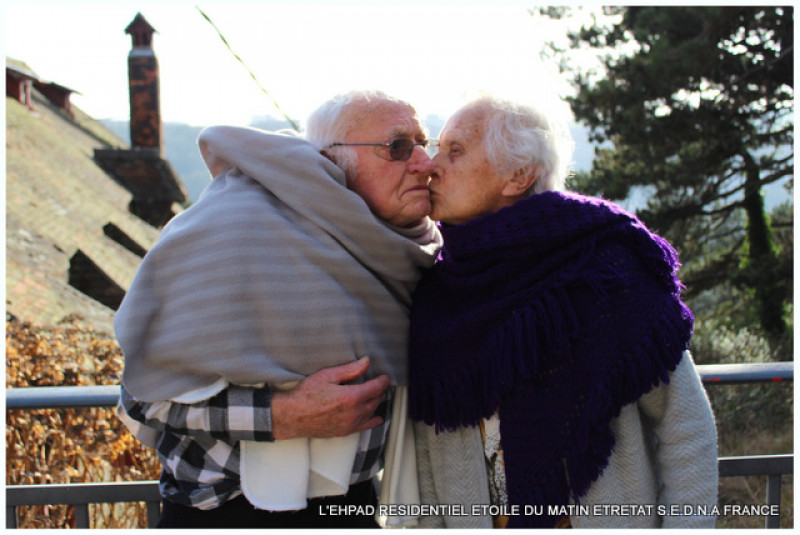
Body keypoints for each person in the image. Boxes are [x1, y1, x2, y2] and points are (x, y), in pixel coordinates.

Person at [115, 89, 442, 528]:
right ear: (332, 160)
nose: (425, 163)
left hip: (352, 508)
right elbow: (143, 397)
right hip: (227, 515)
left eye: (426, 143)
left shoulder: (421, 252)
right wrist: (280, 416)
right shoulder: (233, 225)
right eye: (398, 147)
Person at [408, 94, 718, 529]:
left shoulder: (605, 273)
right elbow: (427, 453)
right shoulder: (437, 294)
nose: (431, 165)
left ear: (518, 175)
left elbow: (684, 425)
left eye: (454, 151)